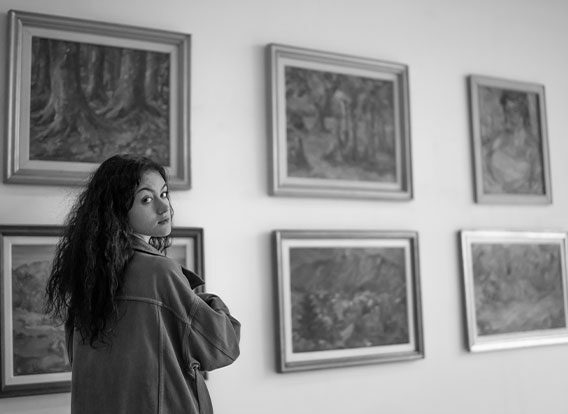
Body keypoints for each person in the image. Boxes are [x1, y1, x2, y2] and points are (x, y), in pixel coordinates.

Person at [45, 154, 240, 414]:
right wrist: (210, 303)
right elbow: (222, 347)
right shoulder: (159, 273)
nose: (164, 206)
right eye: (146, 199)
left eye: (164, 193)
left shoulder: (88, 275)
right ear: (116, 209)